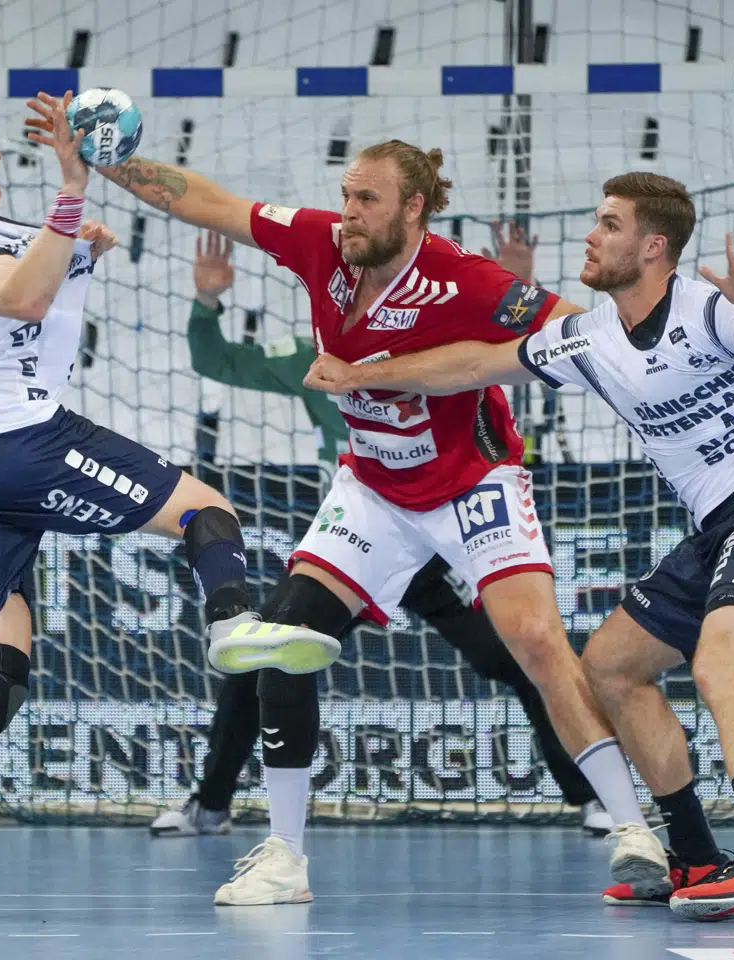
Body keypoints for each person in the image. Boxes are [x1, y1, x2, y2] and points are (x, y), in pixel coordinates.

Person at [100, 139, 658, 907]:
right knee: (285, 641)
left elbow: (584, 332)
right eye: (347, 195)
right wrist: (107, 161)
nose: (350, 213)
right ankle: (284, 858)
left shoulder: (464, 280)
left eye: (368, 200)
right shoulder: (321, 243)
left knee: (533, 642)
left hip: (473, 484)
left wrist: (687, 360)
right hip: (374, 490)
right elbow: (210, 202)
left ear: (413, 207)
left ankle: (632, 828)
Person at [305, 172, 734, 921]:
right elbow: (472, 363)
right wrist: (362, 373)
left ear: (653, 247)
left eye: (609, 225)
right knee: (611, 667)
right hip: (717, 523)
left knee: (722, 664)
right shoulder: (589, 336)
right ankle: (693, 857)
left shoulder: (704, 309)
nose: (590, 235)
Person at [0, 90, 341, 918]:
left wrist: (74, 254)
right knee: (205, 511)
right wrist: (71, 185)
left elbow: (20, 313)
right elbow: (19, 299)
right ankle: (232, 623)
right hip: (13, 441)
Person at [151, 230, 611, 838]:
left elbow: (524, 349)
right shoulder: (316, 354)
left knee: (519, 653)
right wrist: (208, 301)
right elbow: (217, 362)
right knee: (267, 650)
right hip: (366, 531)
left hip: (441, 533)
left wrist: (516, 286)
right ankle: (212, 805)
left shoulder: (446, 338)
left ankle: (594, 798)